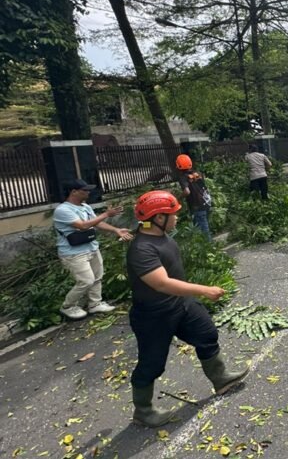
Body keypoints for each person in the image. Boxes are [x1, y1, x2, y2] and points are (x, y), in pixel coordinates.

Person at [127, 190, 249, 427]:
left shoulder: (162, 237)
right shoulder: (142, 249)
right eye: (172, 214)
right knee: (151, 363)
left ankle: (220, 378)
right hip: (153, 315)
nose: (177, 218)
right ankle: (143, 410)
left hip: (180, 304)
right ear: (158, 218)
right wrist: (204, 290)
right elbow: (161, 283)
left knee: (206, 333)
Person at [54, 179, 134, 320]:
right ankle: (68, 306)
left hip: (91, 247)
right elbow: (83, 226)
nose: (88, 192)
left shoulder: (85, 206)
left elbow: (98, 223)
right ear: (74, 192)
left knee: (97, 277)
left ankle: (94, 304)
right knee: (86, 280)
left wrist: (116, 230)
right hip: (74, 253)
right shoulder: (63, 210)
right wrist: (106, 214)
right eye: (85, 190)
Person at [176, 154, 212, 241]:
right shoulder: (197, 173)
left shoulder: (183, 177)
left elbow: (187, 191)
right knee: (203, 226)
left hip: (197, 206)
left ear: (178, 166)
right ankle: (207, 246)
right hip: (206, 202)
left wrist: (178, 198)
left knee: (203, 230)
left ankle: (210, 248)